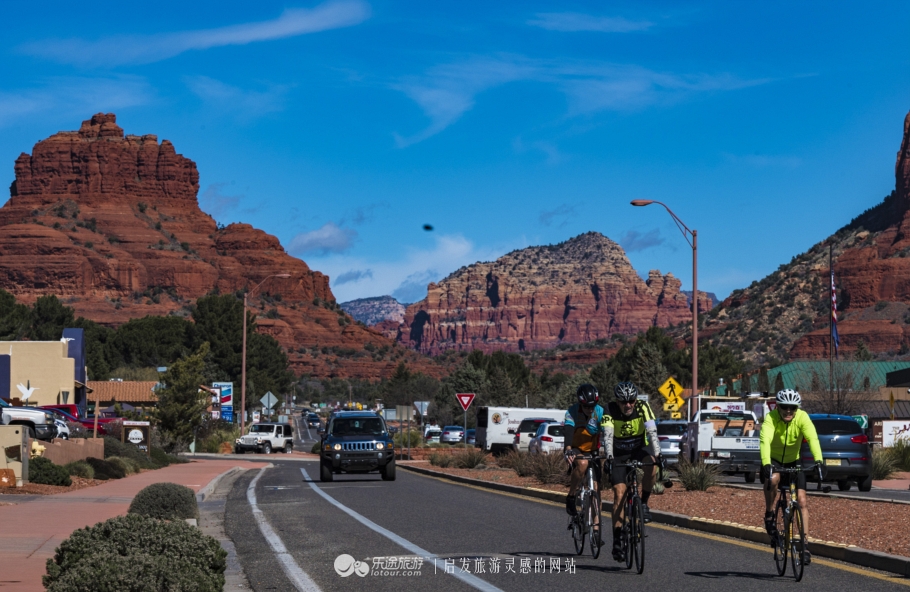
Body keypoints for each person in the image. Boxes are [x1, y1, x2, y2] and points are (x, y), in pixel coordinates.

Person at [600, 381, 662, 562]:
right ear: (617, 401)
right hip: (618, 454)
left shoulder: (643, 407)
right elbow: (608, 435)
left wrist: (658, 454)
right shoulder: (609, 409)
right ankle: (617, 539)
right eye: (623, 402)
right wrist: (609, 458)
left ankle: (643, 503)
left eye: (631, 401)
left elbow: (652, 430)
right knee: (619, 493)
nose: (628, 405)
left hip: (639, 449)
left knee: (652, 463)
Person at [760, 388, 823, 564]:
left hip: (794, 461)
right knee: (773, 480)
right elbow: (765, 441)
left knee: (802, 501)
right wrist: (766, 463)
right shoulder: (770, 418)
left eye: (792, 408)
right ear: (778, 406)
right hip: (773, 460)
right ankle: (770, 513)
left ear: (797, 408)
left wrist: (819, 461)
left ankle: (804, 545)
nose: (789, 411)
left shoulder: (802, 417)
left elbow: (813, 439)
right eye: (785, 407)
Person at [563, 384, 606, 537]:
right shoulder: (572, 411)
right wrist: (568, 449)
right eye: (586, 406)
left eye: (592, 406)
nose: (590, 409)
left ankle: (595, 529)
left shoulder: (600, 412)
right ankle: (572, 496)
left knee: (596, 488)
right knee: (582, 463)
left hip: (593, 450)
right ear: (580, 403)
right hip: (575, 448)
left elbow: (608, 432)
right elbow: (568, 431)